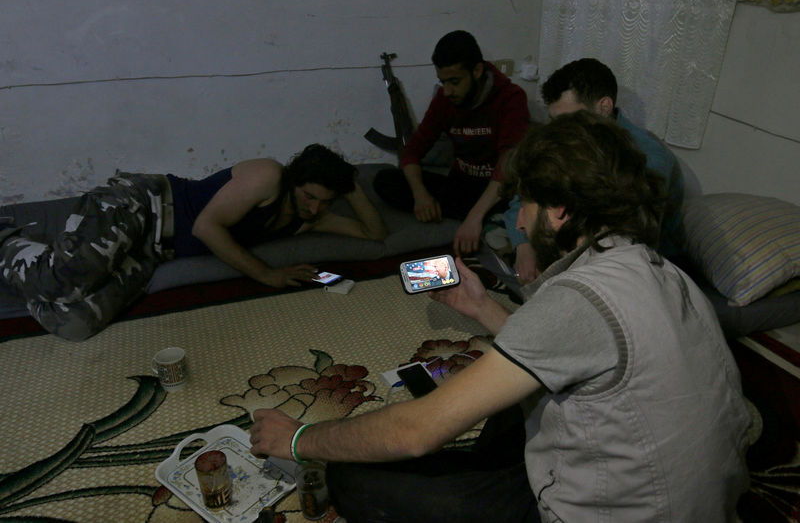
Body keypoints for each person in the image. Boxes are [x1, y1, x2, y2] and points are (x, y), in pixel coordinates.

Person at [248, 112, 751, 522]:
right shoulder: (663, 271)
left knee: (353, 476)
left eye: (522, 203)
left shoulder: (576, 296)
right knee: (516, 396)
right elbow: (573, 348)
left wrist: (298, 439)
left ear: (558, 211)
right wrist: (483, 307)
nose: (519, 219)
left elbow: (413, 434)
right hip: (690, 503)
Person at [0, 144, 387, 341]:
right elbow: (206, 228)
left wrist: (349, 184)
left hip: (153, 250)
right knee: (60, 281)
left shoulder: (307, 219)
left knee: (74, 323)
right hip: (143, 206)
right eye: (309, 196)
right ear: (294, 180)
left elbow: (374, 234)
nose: (315, 207)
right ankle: (9, 240)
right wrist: (266, 275)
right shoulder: (268, 175)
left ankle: (44, 253)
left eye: (325, 201)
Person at [499, 57, 685, 285]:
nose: (560, 130)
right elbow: (527, 194)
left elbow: (620, 240)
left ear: (604, 107)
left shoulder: (647, 157)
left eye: (567, 119)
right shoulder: (574, 142)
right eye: (554, 121)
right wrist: (523, 245)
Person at [372, 30, 530, 256]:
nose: (447, 91)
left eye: (454, 82)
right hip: (461, 186)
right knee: (385, 181)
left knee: (521, 202)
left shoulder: (511, 97)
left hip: (497, 191)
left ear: (477, 71)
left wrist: (474, 219)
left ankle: (484, 219)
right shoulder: (445, 100)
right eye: (443, 82)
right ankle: (487, 221)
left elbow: (509, 165)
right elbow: (412, 151)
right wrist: (421, 195)